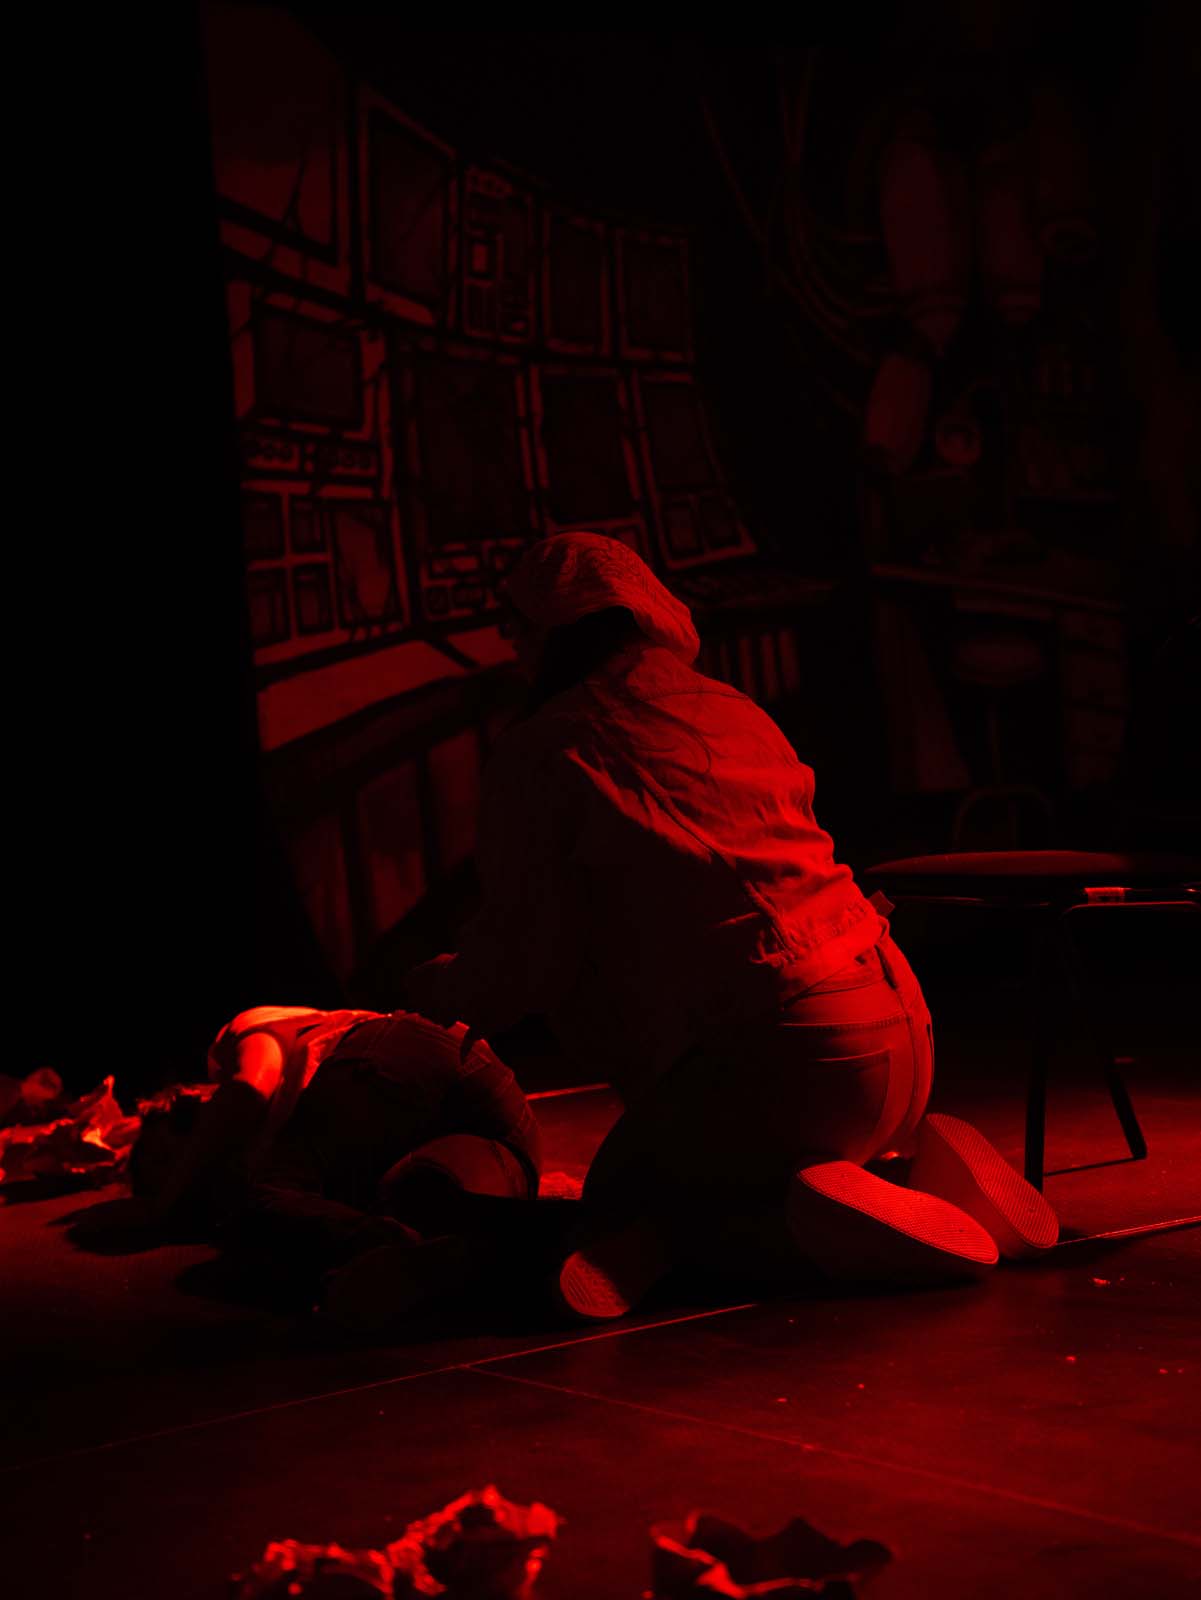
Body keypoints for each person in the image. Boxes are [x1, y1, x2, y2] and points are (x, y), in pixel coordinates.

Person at [405, 532, 1057, 1320]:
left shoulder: (549, 743)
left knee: (620, 1213)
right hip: (895, 1016)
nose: (511, 648)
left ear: (548, 630)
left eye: (515, 627)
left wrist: (439, 994)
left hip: (793, 1054)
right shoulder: (729, 706)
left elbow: (525, 957)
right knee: (706, 1175)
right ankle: (912, 1174)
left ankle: (816, 1227)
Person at [113, 1005, 542, 1331]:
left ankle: (393, 1247)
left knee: (264, 1201)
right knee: (427, 1205)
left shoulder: (240, 1035)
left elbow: (248, 1089)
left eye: (169, 1158)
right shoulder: (314, 1149)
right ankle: (519, 1254)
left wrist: (164, 1208)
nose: (184, 1171)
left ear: (189, 1103)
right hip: (508, 1132)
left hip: (399, 1049)